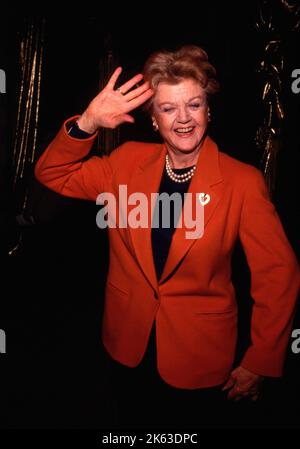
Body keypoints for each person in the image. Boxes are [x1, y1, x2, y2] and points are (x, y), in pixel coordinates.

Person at [35, 45, 299, 429]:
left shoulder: (242, 182)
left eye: (193, 105)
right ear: (154, 120)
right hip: (127, 345)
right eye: (168, 108)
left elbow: (278, 274)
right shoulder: (125, 163)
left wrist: (261, 359)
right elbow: (52, 174)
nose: (183, 119)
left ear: (208, 110)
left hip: (201, 356)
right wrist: (89, 121)